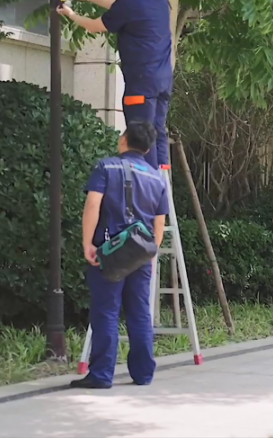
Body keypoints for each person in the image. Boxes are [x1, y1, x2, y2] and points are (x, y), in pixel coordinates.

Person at [71, 121, 169, 389]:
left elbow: (93, 204)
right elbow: (159, 223)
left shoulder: (107, 167)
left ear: (124, 140)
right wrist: (151, 253)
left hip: (110, 252)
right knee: (139, 313)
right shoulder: (156, 179)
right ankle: (143, 373)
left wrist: (87, 243)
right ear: (148, 149)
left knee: (106, 312)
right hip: (141, 254)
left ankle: (102, 374)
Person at [56, 0, 173, 169]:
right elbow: (119, 3)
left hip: (141, 84)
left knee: (140, 140)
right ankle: (162, 189)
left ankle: (144, 194)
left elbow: (94, 26)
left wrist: (70, 15)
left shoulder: (129, 6)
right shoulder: (158, 0)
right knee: (158, 133)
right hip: (163, 82)